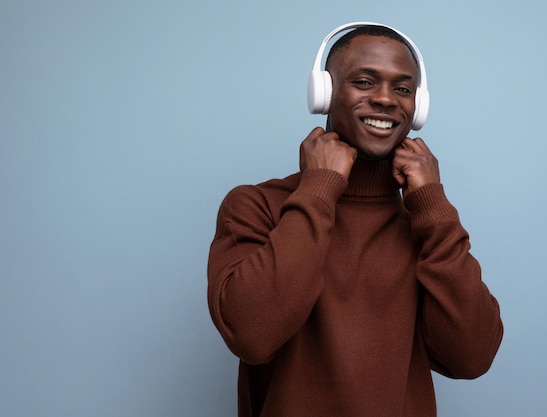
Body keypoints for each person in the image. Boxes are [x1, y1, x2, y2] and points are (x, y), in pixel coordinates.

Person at [207, 22, 503, 417]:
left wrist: (433, 205)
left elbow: (472, 356)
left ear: (419, 107)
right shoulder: (256, 205)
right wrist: (319, 188)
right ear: (324, 93)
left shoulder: (427, 223)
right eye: (364, 82)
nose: (385, 99)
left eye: (402, 89)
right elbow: (252, 335)